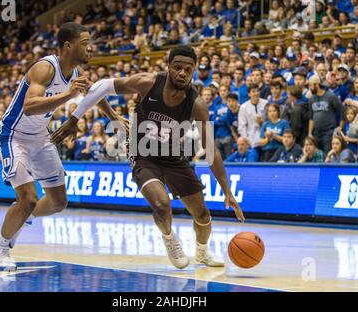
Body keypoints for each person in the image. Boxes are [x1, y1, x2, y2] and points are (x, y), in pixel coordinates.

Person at [52, 45, 245, 269]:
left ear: (193, 71)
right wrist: (76, 118)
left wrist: (227, 191)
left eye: (188, 69)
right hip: (142, 153)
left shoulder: (197, 104)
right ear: (169, 67)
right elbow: (102, 86)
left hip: (173, 157)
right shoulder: (148, 82)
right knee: (162, 206)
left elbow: (211, 150)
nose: (182, 73)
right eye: (177, 67)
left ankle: (202, 253)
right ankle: (170, 238)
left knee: (202, 215)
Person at [0, 22, 120, 271]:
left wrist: (113, 116)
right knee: (27, 198)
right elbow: (29, 106)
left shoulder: (76, 73)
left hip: (40, 136)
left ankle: (23, 217)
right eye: (85, 43)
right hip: (13, 135)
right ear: (68, 46)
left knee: (59, 202)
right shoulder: (44, 68)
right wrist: (69, 95)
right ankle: (0, 247)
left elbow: (93, 93)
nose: (90, 48)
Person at [308, 75, 344, 154]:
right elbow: (311, 117)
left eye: (311, 85)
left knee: (328, 154)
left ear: (317, 85)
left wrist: (340, 127)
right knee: (317, 155)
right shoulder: (311, 99)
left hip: (328, 132)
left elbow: (342, 110)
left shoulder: (330, 96)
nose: (309, 88)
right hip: (316, 133)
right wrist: (310, 133)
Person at [238, 85, 268, 150]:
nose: (256, 93)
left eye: (257, 91)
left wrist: (262, 122)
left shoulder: (266, 103)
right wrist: (246, 140)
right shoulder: (243, 107)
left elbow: (270, 121)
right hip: (251, 139)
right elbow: (242, 126)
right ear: (249, 94)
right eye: (253, 91)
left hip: (265, 137)